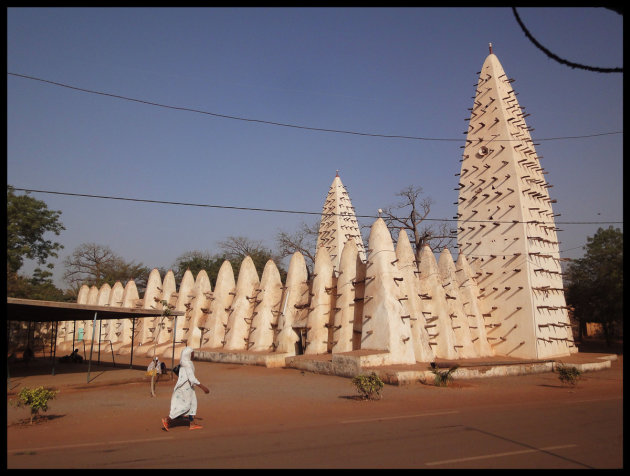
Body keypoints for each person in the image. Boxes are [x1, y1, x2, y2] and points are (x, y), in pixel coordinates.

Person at [162, 347, 209, 431]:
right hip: (185, 388)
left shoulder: (185, 363)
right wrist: (203, 387)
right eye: (192, 353)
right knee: (186, 405)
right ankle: (168, 419)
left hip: (189, 388)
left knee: (193, 403)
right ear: (188, 354)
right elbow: (192, 378)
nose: (193, 355)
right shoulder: (187, 364)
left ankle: (192, 423)